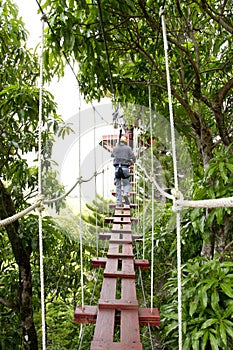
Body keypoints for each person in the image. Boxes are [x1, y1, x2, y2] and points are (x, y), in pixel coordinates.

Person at [111, 135, 136, 206]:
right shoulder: (128, 148)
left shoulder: (115, 148)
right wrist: (132, 162)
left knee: (118, 186)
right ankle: (125, 193)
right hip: (125, 168)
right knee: (126, 183)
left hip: (117, 169)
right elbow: (133, 158)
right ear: (126, 142)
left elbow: (112, 155)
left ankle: (119, 202)